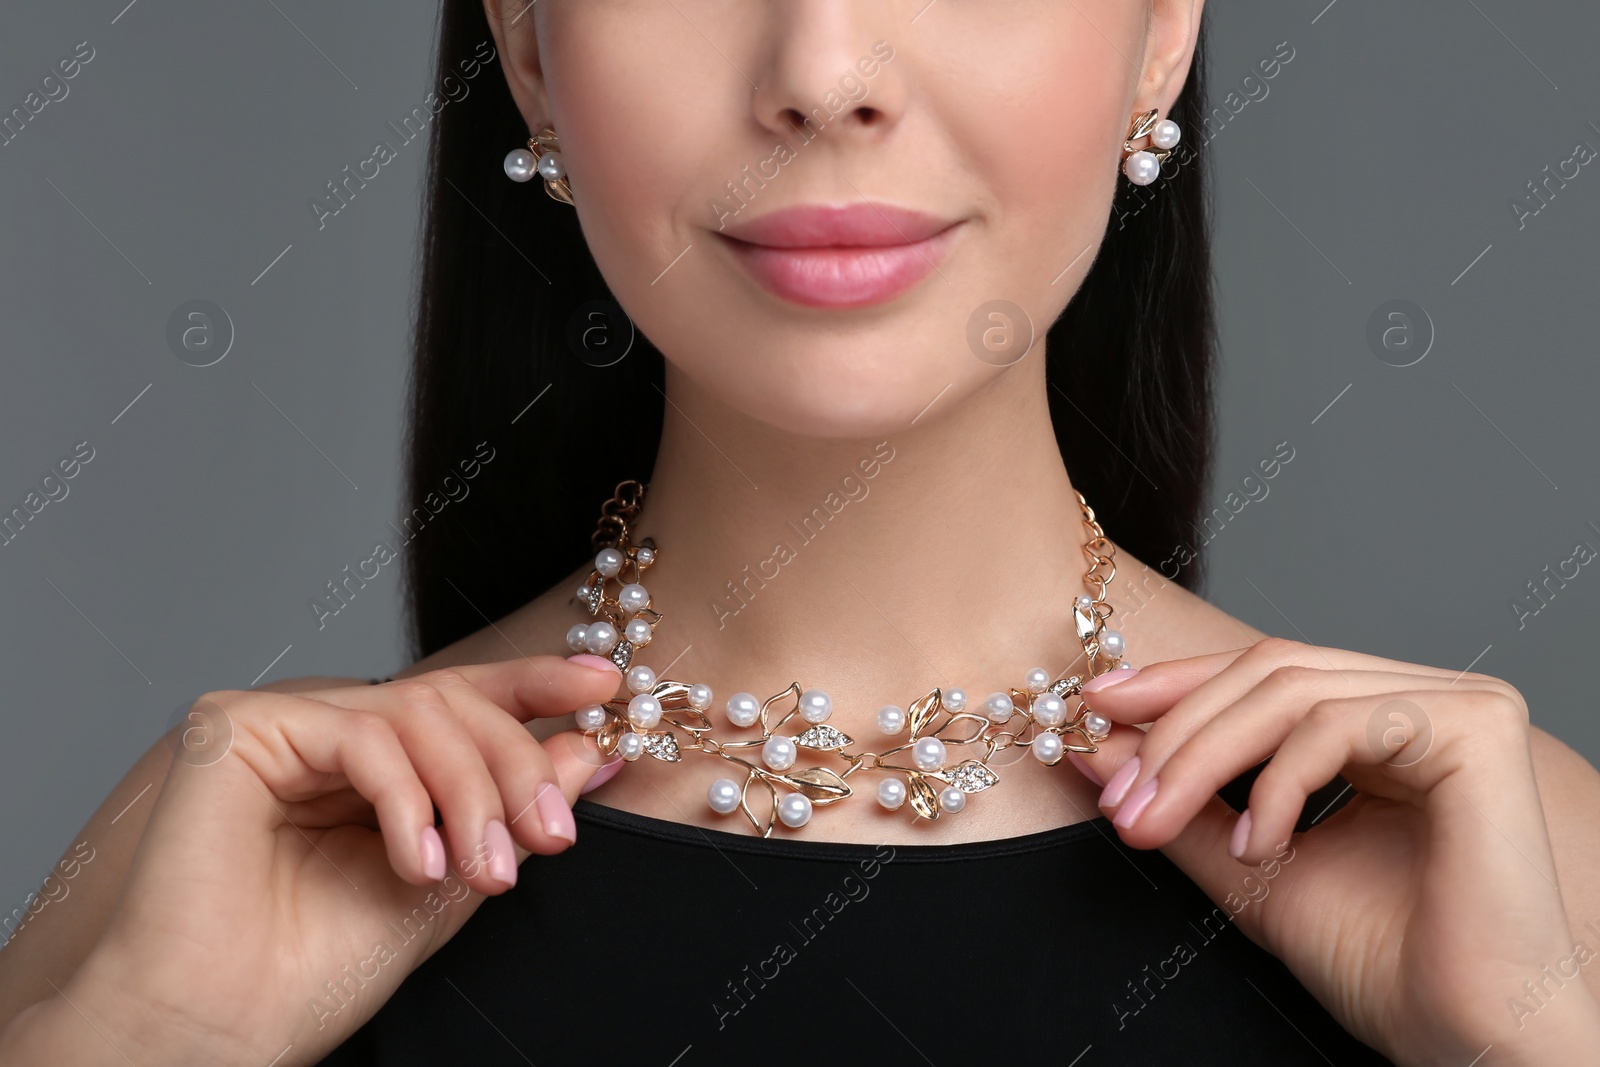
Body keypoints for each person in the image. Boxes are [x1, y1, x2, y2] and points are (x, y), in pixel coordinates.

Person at [4, 1, 1599, 1063]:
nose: (824, 68)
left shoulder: (1504, 851)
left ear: (1161, 29)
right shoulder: (218, 858)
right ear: (534, 50)